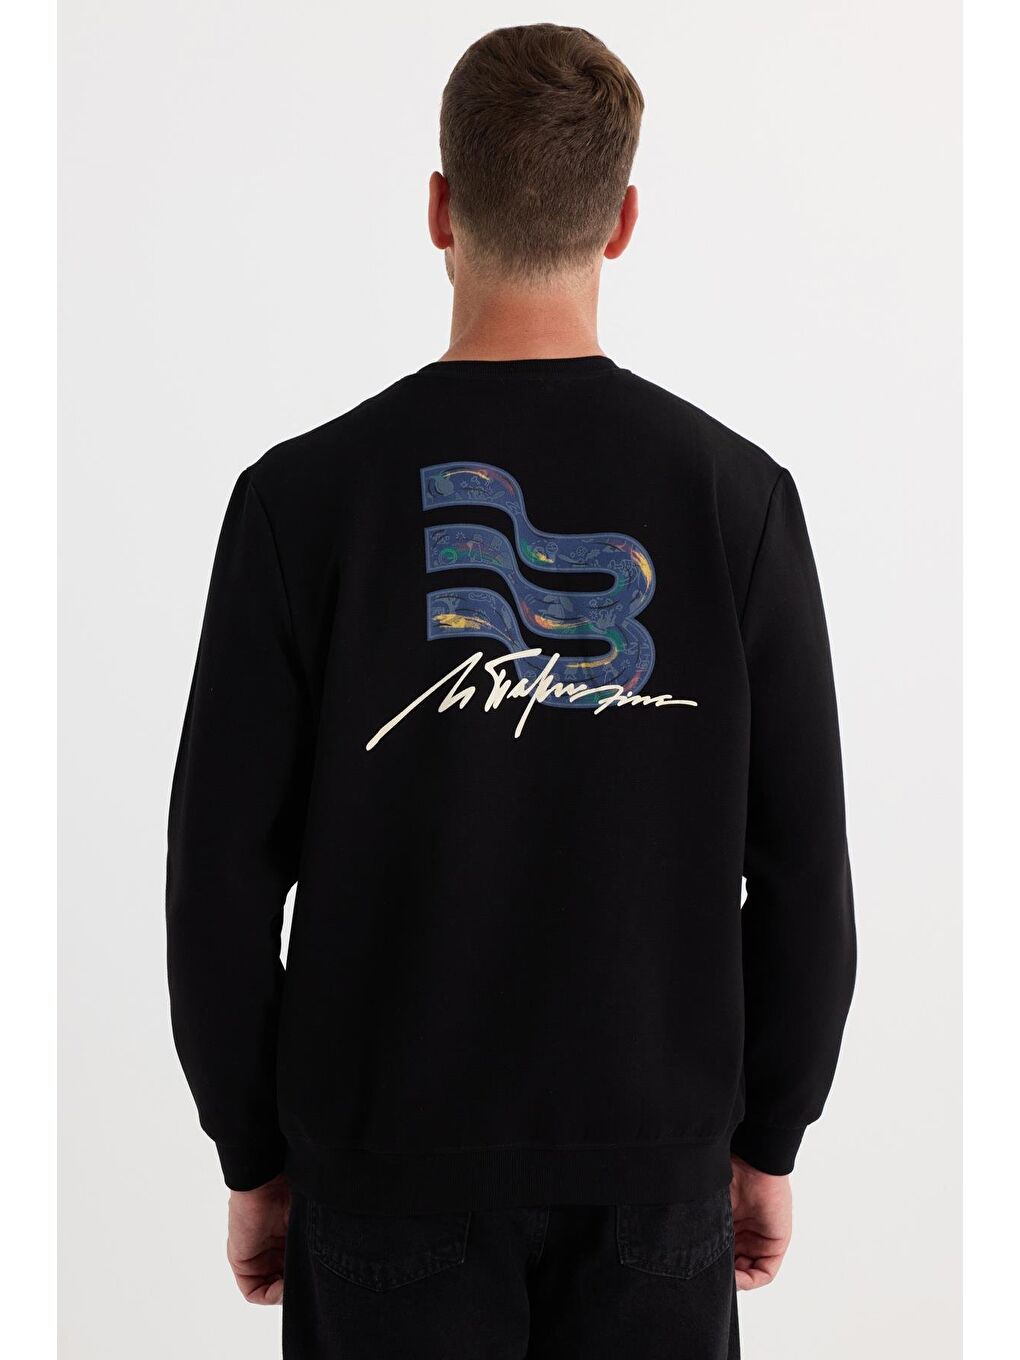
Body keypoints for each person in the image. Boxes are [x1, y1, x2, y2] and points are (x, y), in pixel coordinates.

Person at [167, 23, 855, 1359]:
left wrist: (251, 1153)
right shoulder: (736, 502)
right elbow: (806, 874)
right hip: (653, 1177)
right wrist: (769, 1136)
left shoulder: (301, 504)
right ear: (624, 220)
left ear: (440, 208)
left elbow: (218, 881)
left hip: (383, 1176)